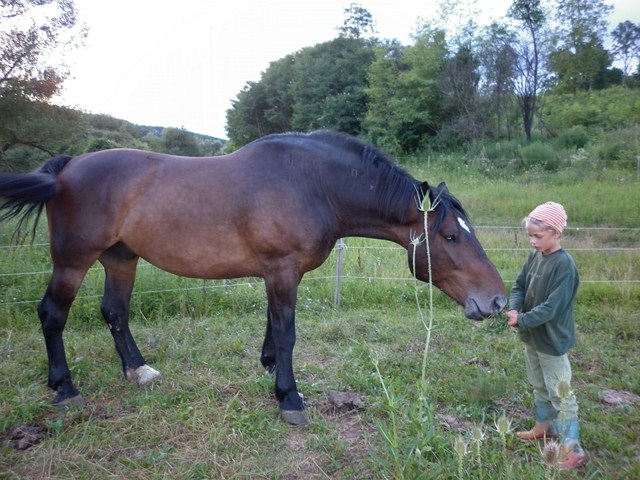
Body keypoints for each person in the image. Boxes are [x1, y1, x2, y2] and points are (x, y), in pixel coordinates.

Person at [506, 201, 588, 470]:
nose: (532, 241)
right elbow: (519, 284)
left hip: (552, 340)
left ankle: (572, 447)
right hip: (532, 336)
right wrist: (515, 307)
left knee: (561, 393)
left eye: (537, 236)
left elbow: (553, 308)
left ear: (557, 233)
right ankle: (546, 427)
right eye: (529, 235)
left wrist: (523, 320)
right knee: (539, 384)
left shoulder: (565, 266)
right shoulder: (535, 257)